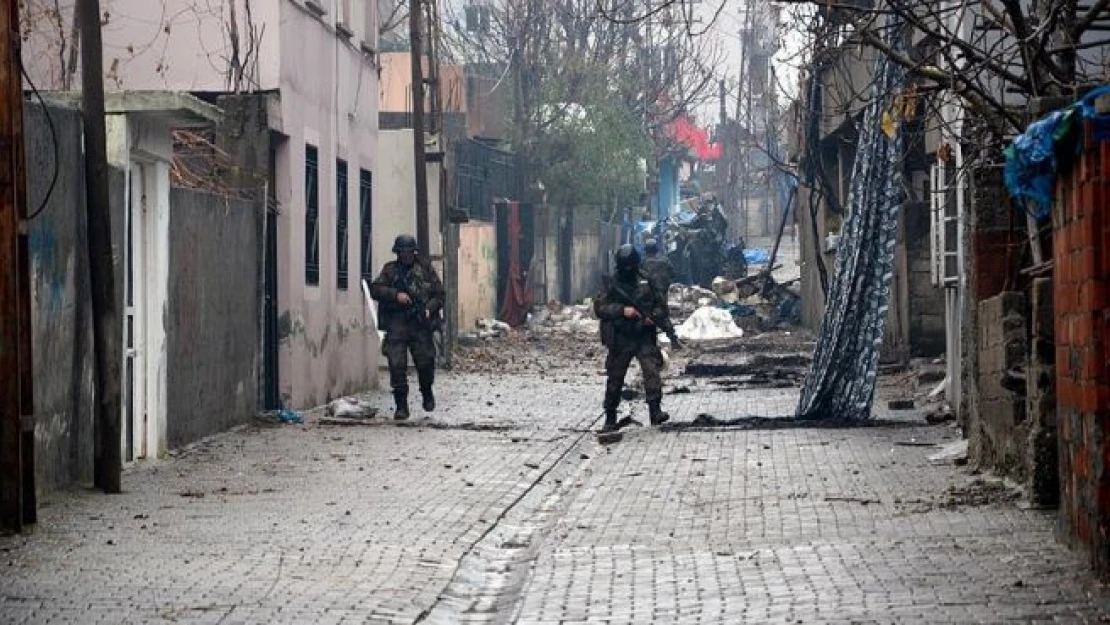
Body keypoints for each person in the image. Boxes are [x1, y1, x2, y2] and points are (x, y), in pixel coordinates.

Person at [593, 244, 671, 433]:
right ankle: (610, 416)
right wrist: (622, 310)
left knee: (651, 371)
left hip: (643, 335)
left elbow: (661, 305)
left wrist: (652, 318)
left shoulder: (647, 280)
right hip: (621, 336)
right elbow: (600, 308)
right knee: (615, 377)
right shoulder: (611, 283)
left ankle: (655, 410)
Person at [370, 234, 446, 420]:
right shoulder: (390, 270)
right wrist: (396, 295)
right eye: (402, 252)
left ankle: (427, 392)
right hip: (397, 323)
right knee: (396, 365)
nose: (406, 256)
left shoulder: (425, 269)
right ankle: (401, 406)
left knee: (426, 362)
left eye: (409, 252)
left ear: (414, 252)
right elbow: (376, 289)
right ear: (398, 253)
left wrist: (429, 309)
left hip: (420, 324)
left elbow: (439, 294)